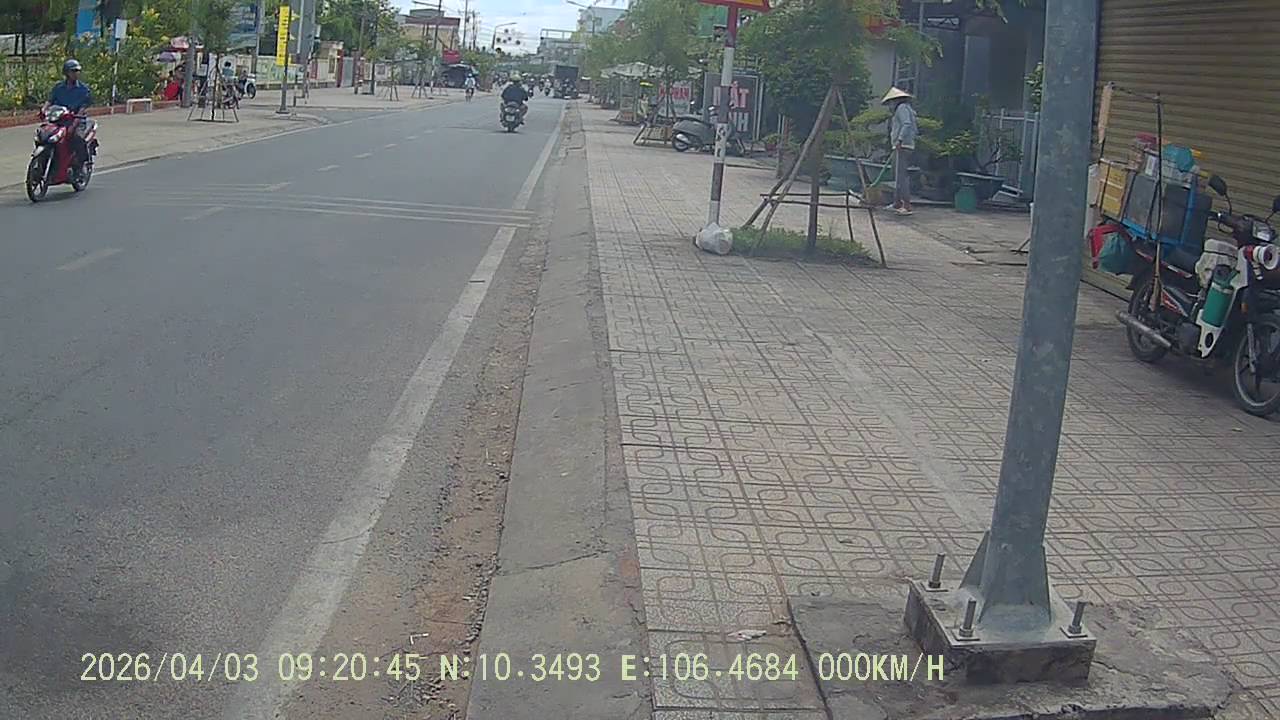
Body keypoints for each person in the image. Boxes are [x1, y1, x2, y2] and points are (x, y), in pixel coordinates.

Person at [47, 59, 93, 166]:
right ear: (66, 73)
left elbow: (82, 109)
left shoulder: (84, 90)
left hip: (76, 120)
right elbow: (50, 101)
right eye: (73, 71)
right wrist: (43, 110)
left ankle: (82, 162)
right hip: (59, 119)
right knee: (45, 134)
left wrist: (74, 124)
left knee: (77, 137)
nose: (76, 73)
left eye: (77, 71)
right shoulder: (58, 87)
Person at [882, 86, 917, 216]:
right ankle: (897, 202)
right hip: (902, 145)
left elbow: (906, 124)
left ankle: (906, 205)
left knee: (901, 176)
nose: (890, 105)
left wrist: (900, 140)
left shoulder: (902, 108)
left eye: (891, 102)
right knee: (897, 175)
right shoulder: (906, 109)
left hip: (902, 146)